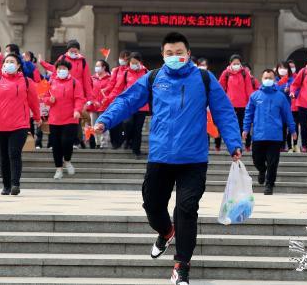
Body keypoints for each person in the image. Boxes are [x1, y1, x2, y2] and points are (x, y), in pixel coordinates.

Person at [94, 32, 242, 285]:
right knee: (152, 206)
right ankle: (165, 231)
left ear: (188, 54)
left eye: (179, 53)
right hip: (161, 156)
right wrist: (105, 120)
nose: (175, 57)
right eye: (170, 53)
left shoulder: (204, 79)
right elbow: (128, 100)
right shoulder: (153, 78)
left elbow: (224, 111)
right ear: (163, 55)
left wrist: (234, 143)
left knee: (186, 210)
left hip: (193, 159)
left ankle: (181, 266)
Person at [0, 53, 41, 196]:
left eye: (12, 61)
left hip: (20, 125)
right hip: (0, 125)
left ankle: (15, 184)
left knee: (14, 154)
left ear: (18, 65)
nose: (9, 64)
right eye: (6, 61)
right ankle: (6, 185)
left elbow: (34, 102)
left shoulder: (27, 82)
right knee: (3, 156)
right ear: (3, 65)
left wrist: (38, 117)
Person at [243, 69, 295, 195]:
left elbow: (287, 114)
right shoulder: (255, 96)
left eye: (270, 78)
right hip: (259, 135)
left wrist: (292, 129)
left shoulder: (280, 96)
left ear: (274, 79)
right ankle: (262, 170)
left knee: (273, 163)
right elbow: (248, 113)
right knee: (257, 160)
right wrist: (245, 129)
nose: (268, 80)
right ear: (261, 79)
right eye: (266, 77)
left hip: (275, 135)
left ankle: (269, 185)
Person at [43, 60, 85, 179]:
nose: (61, 70)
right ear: (56, 70)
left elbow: (79, 98)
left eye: (64, 68)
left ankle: (67, 160)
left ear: (68, 70)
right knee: (56, 145)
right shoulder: (50, 81)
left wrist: (77, 110)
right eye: (59, 68)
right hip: (54, 119)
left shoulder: (74, 82)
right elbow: (44, 96)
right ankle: (58, 169)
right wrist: (48, 100)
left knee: (67, 142)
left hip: (70, 118)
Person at [110, 52, 149, 159]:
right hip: (128, 105)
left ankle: (136, 150)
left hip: (141, 106)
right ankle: (127, 139)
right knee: (127, 123)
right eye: (131, 63)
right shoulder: (126, 73)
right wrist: (110, 99)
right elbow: (118, 88)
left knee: (138, 129)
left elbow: (152, 88)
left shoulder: (146, 72)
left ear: (140, 62)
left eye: (135, 63)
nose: (133, 64)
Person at [219, 54, 255, 151]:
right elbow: (220, 88)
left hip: (243, 105)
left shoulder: (245, 73)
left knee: (244, 126)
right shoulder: (226, 73)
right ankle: (234, 146)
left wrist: (251, 102)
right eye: (234, 63)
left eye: (238, 63)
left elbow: (249, 88)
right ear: (230, 63)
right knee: (231, 126)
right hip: (230, 105)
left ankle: (247, 145)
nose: (236, 65)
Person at [88, 59, 112, 148]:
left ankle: (104, 143)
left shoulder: (110, 78)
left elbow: (111, 91)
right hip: (93, 106)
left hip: (104, 105)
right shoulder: (92, 78)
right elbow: (89, 91)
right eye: (96, 66)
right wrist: (91, 101)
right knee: (93, 125)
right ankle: (96, 142)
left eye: (98, 66)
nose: (96, 68)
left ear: (104, 67)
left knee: (103, 124)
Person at [276, 61, 298, 152]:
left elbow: (295, 91)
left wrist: (290, 91)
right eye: (280, 68)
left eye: (285, 68)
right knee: (278, 126)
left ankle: (283, 146)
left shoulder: (291, 80)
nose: (282, 70)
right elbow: (274, 89)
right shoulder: (275, 79)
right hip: (276, 107)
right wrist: (280, 85)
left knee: (285, 127)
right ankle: (277, 145)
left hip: (287, 107)